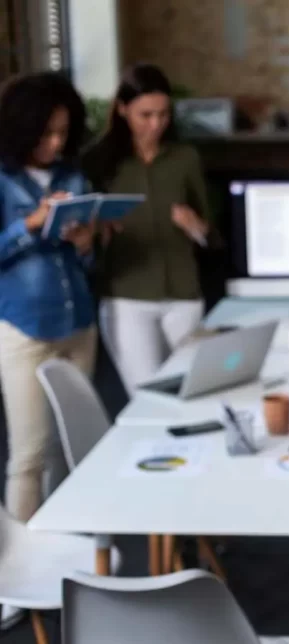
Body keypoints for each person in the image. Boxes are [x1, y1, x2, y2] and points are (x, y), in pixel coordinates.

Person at [82, 64, 216, 393]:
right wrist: (99, 231)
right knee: (147, 395)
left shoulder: (185, 158)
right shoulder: (98, 162)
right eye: (146, 115)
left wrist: (196, 226)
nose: (156, 124)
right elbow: (82, 236)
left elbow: (211, 230)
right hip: (127, 298)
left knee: (195, 390)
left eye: (163, 114)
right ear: (123, 109)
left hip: (184, 294)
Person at [0, 72, 97, 523]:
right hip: (24, 330)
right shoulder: (3, 180)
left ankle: (65, 546)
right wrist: (31, 225)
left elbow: (86, 263)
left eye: (63, 130)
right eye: (47, 132)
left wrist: (85, 243)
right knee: (29, 456)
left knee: (72, 448)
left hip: (79, 324)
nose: (56, 142)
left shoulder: (72, 176)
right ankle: (15, 579)